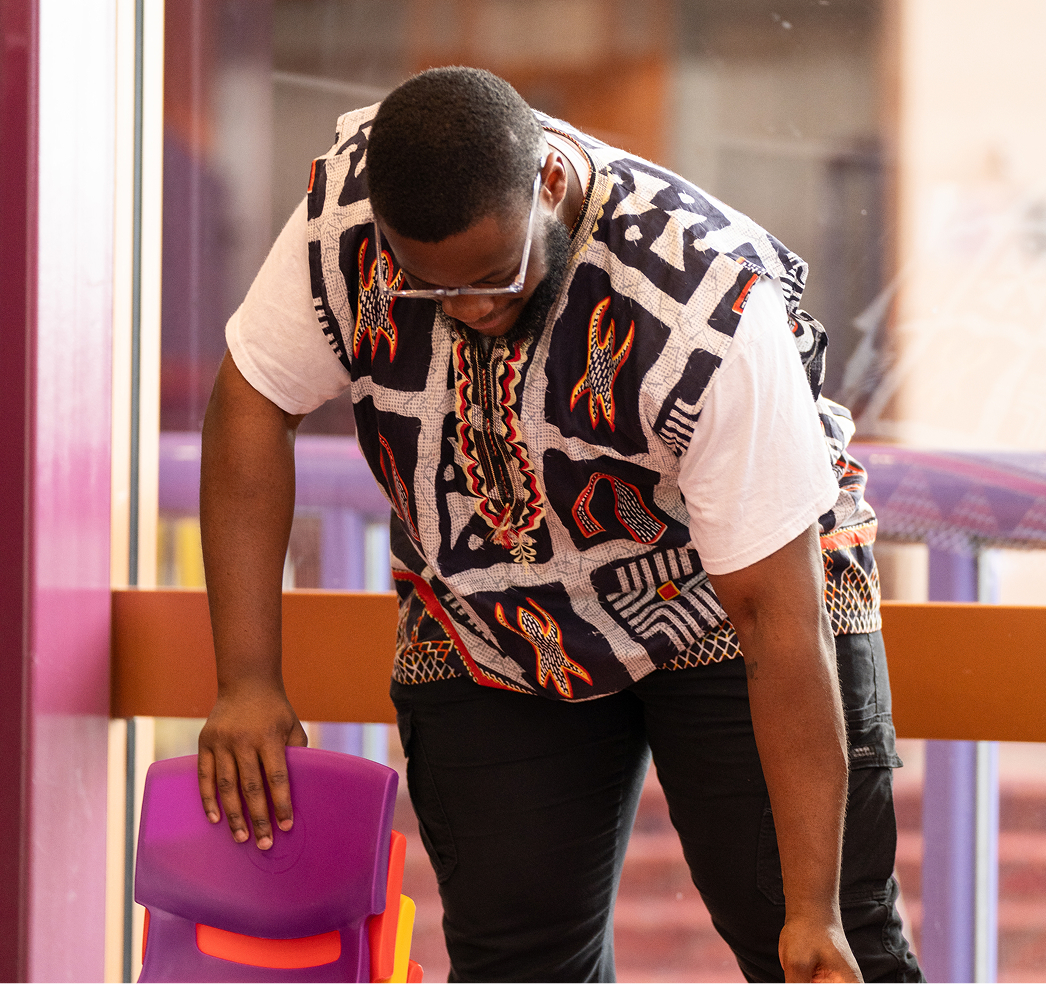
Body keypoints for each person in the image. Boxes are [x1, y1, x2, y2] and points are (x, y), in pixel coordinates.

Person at [197, 66, 922, 983]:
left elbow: (777, 618)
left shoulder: (704, 306)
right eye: (430, 288)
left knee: (816, 949)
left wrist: (812, 906)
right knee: (516, 963)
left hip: (722, 604)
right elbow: (255, 399)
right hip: (490, 614)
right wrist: (248, 680)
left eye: (496, 278)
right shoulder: (348, 214)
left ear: (548, 183)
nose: (468, 310)